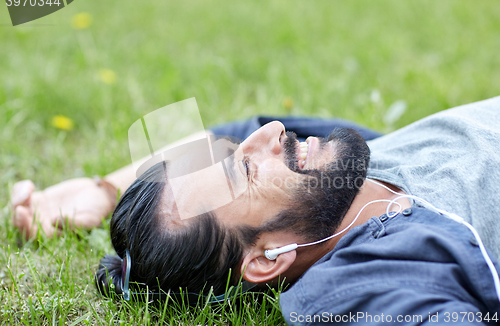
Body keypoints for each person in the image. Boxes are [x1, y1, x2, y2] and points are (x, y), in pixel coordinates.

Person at [11, 96, 500, 324]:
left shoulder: (342, 170)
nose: (271, 134)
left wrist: (103, 191)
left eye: (233, 148)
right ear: (267, 259)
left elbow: (243, 123)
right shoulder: (373, 277)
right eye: (242, 169)